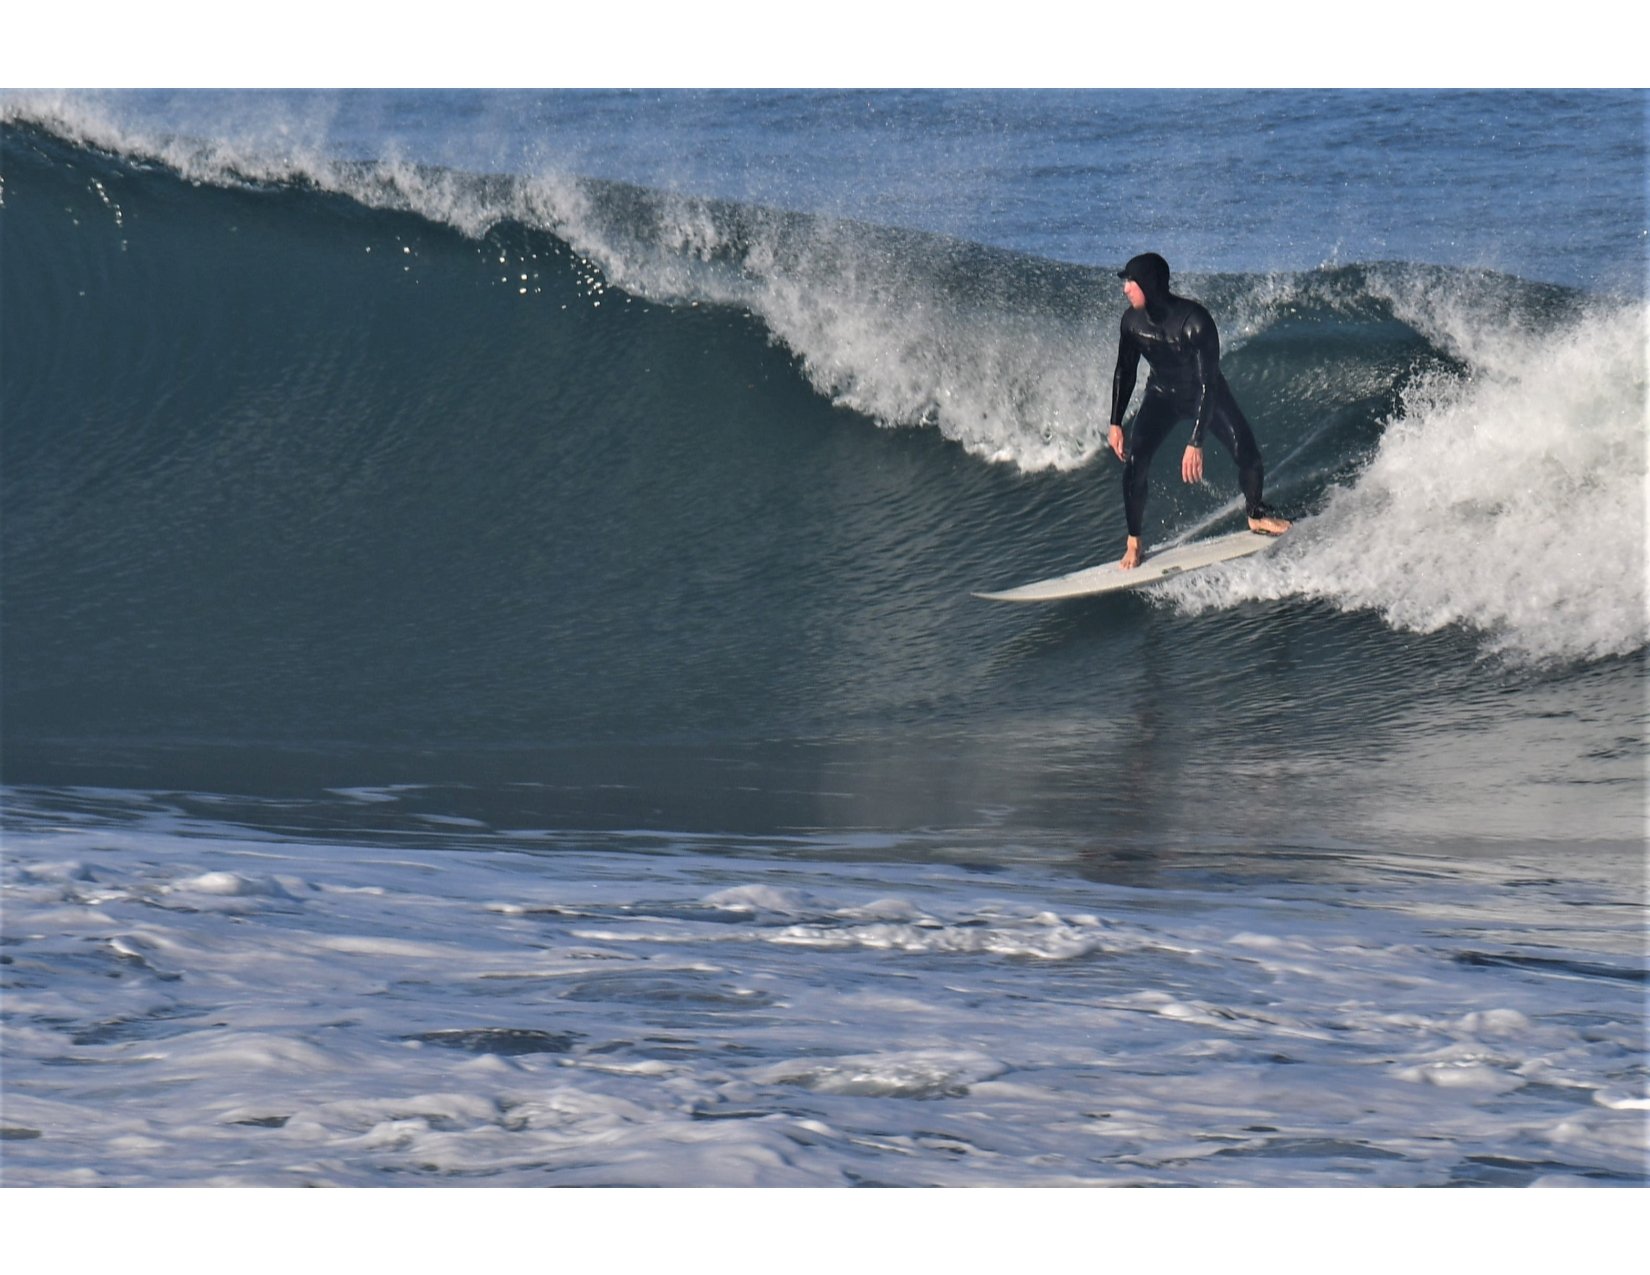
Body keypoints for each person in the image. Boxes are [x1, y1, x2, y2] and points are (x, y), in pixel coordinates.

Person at [1107, 252, 1290, 569]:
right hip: (1161, 394)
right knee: (1135, 461)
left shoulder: (1195, 322)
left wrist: (1196, 442)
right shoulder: (1131, 322)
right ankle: (1134, 542)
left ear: (1149, 285)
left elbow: (1208, 384)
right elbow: (1125, 370)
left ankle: (1256, 514)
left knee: (1248, 455)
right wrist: (1115, 422)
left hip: (1206, 394)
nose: (1125, 289)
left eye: (1131, 282)